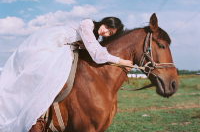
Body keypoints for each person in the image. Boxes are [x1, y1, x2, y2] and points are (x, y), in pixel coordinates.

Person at [0, 17, 133, 132]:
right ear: (103, 22)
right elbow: (97, 53)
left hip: (64, 48)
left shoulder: (94, 34)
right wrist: (121, 61)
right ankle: (34, 118)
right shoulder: (87, 24)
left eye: (110, 33)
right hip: (49, 43)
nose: (106, 32)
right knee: (42, 75)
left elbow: (93, 50)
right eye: (107, 27)